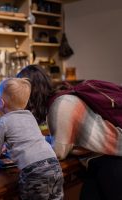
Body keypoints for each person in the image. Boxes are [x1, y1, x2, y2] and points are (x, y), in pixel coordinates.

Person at [17, 64, 122, 200]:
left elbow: (59, 152)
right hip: (102, 161)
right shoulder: (61, 99)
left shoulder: (59, 105)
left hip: (112, 163)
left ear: (30, 92)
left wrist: (26, 147)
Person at [0, 78, 64, 200]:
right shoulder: (30, 117)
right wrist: (9, 147)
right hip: (54, 165)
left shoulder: (3, 122)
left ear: (1, 102)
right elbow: (30, 140)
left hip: (34, 172)